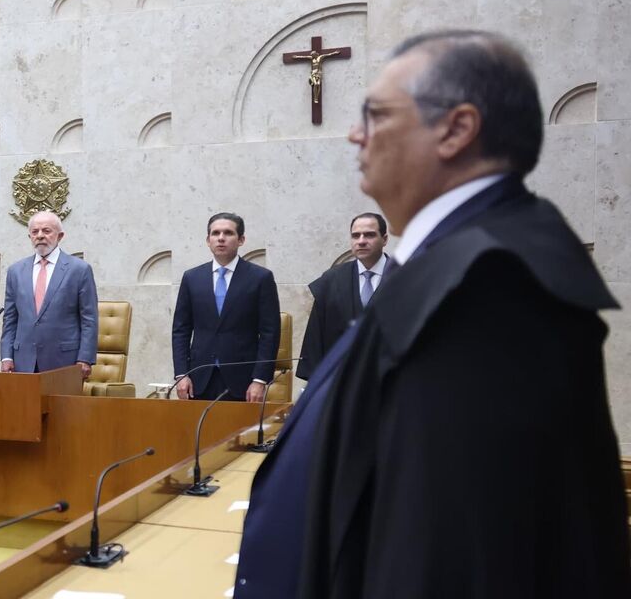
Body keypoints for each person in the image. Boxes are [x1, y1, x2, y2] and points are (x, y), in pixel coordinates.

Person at [237, 31, 628, 597]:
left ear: (456, 129)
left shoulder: (487, 288)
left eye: (376, 115)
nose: (354, 133)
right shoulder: (461, 260)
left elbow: (448, 551)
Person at [170, 212, 280, 401]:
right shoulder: (192, 278)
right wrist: (181, 374)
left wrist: (260, 379)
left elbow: (270, 332)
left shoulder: (260, 278)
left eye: (228, 233)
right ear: (208, 240)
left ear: (241, 240)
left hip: (244, 380)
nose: (221, 238)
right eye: (215, 233)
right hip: (199, 378)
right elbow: (181, 330)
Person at [297, 213, 397, 380]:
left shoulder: (404, 275)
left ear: (385, 239)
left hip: (390, 378)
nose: (361, 241)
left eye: (370, 235)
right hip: (341, 379)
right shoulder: (332, 280)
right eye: (356, 235)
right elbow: (316, 336)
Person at [0, 211, 98, 376]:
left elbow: (89, 319)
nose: (40, 236)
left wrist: (85, 358)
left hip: (65, 362)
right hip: (23, 362)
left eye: (46, 231)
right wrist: (6, 356)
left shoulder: (79, 270)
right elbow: (10, 319)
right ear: (29, 236)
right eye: (35, 232)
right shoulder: (15, 271)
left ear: (60, 236)